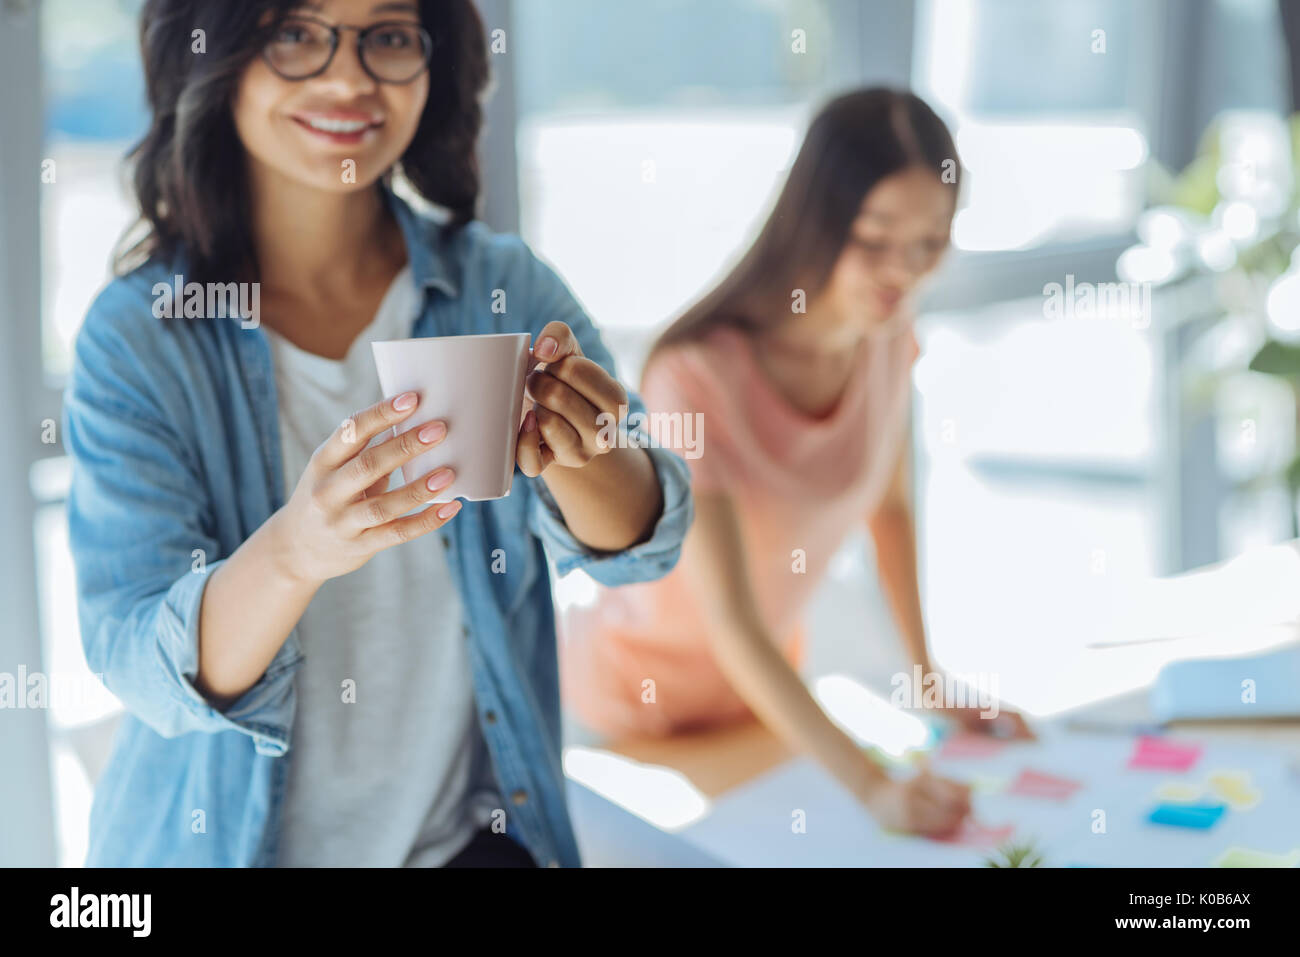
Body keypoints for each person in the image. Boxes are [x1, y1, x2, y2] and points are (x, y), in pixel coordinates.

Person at [63, 0, 692, 868]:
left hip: (465, 842)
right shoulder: (139, 335)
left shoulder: (498, 283)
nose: (351, 77)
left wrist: (586, 451)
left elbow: (647, 544)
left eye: (389, 36)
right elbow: (136, 656)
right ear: (214, 57)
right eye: (294, 31)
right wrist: (294, 551)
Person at [560, 88, 1032, 837]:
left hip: (761, 703)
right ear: (816, 220)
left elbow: (891, 509)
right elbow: (731, 618)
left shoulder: (888, 335)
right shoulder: (694, 373)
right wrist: (876, 790)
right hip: (633, 710)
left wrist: (928, 681)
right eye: (875, 240)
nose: (901, 273)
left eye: (927, 244)